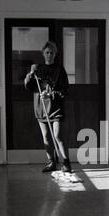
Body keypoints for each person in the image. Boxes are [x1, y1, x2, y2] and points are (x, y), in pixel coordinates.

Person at [24, 41, 72, 173]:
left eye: (52, 53)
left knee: (58, 135)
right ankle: (51, 162)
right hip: (41, 108)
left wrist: (51, 95)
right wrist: (30, 74)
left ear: (55, 54)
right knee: (46, 137)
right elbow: (29, 86)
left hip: (56, 108)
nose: (49, 55)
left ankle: (66, 163)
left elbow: (65, 90)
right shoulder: (37, 69)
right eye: (47, 52)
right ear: (43, 53)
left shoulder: (60, 70)